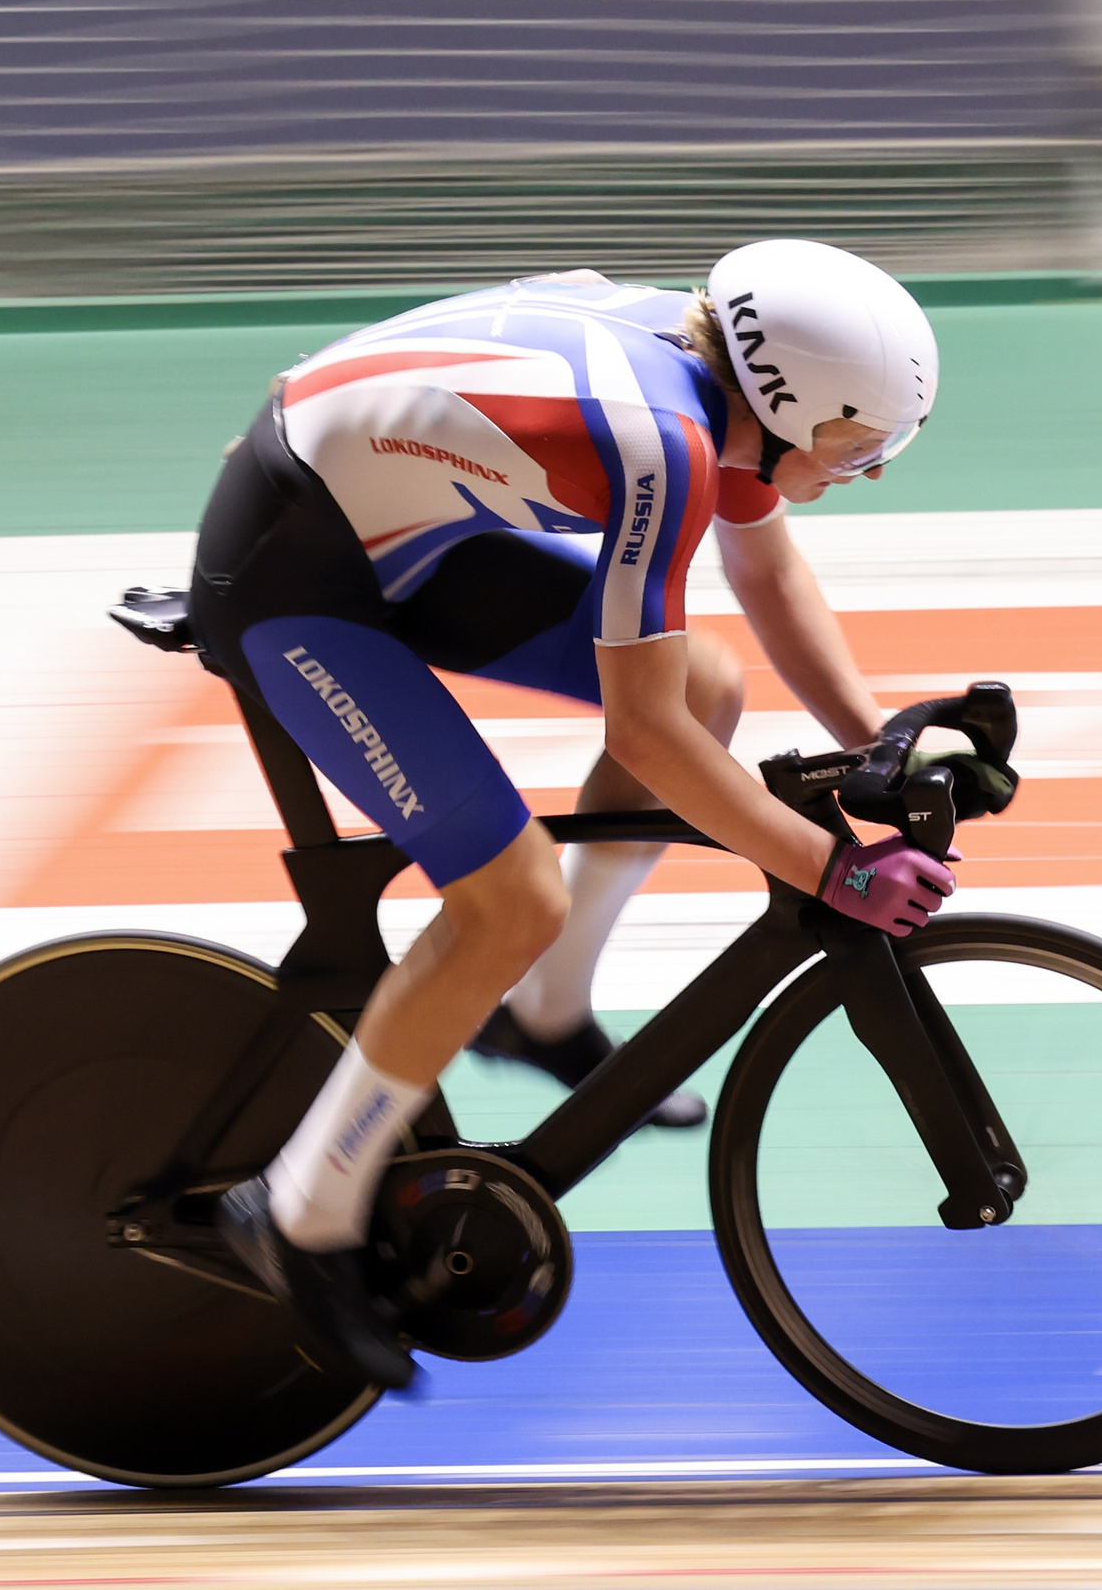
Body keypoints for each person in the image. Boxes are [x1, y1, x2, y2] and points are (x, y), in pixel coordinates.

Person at [188, 240, 958, 1389]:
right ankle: (297, 1211)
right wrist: (831, 872)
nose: (871, 468)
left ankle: (542, 1014)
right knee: (509, 901)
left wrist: (876, 738)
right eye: (858, 444)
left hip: (390, 522)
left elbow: (767, 580)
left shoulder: (723, 378)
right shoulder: (666, 443)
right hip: (294, 579)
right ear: (789, 403)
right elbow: (643, 741)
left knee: (706, 679)